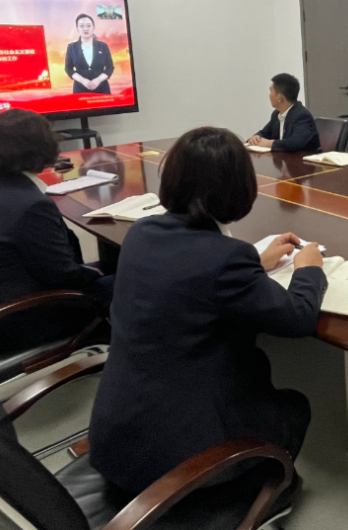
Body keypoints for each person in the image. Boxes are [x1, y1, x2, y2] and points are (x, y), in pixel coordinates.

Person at [89, 126, 327, 496]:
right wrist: (308, 269)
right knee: (294, 407)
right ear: (241, 188)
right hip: (180, 465)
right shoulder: (226, 259)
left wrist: (254, 264)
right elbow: (297, 317)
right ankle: (262, 493)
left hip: (115, 442)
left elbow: (190, 276)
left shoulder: (141, 234)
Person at [0, 109, 113, 348]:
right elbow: (64, 276)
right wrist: (96, 273)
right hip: (25, 317)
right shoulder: (32, 205)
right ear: (43, 146)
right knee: (135, 281)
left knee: (115, 268)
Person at [247, 73, 320, 152]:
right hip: (283, 157)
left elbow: (295, 143)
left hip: (302, 158)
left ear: (279, 97)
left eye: (271, 91)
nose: (269, 95)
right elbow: (265, 132)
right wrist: (257, 137)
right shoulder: (277, 114)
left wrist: (269, 143)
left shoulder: (302, 116)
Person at [64, 13, 114, 94]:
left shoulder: (103, 46)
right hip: (80, 90)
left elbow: (110, 68)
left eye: (88, 25)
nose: (85, 29)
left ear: (93, 27)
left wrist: (98, 80)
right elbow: (68, 69)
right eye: (81, 26)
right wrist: (83, 80)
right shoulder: (71, 47)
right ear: (77, 28)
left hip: (102, 90)